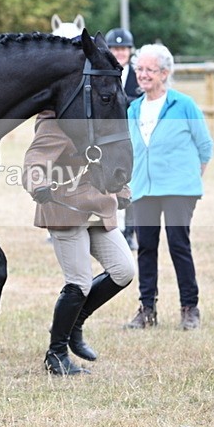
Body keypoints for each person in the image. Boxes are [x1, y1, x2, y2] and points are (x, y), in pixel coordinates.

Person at [24, 110, 135, 375]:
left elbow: (112, 158)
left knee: (123, 270)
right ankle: (56, 354)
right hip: (64, 208)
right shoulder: (56, 121)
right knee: (79, 282)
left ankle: (75, 323)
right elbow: (34, 161)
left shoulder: (100, 118)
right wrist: (38, 185)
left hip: (98, 205)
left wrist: (122, 190)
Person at [124, 44, 214, 331]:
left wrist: (189, 180)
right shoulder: (134, 108)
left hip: (178, 190)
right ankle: (146, 309)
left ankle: (190, 308)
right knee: (146, 248)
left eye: (149, 70)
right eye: (139, 69)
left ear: (165, 73)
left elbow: (205, 146)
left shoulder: (183, 105)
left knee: (178, 245)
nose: (143, 75)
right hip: (144, 189)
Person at [105, 27, 141, 250]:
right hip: (110, 137)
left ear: (130, 51)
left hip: (134, 135)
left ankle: (130, 231)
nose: (119, 53)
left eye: (123, 49)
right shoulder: (104, 75)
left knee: (133, 182)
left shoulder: (139, 75)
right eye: (115, 49)